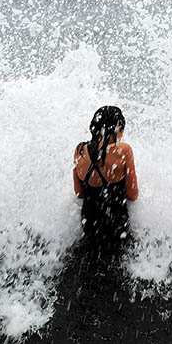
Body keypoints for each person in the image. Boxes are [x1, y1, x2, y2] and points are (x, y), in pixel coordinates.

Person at [73, 105, 138, 248]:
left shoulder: (80, 150)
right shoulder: (124, 151)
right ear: (119, 128)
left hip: (89, 228)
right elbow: (133, 195)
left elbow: (79, 193)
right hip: (117, 228)